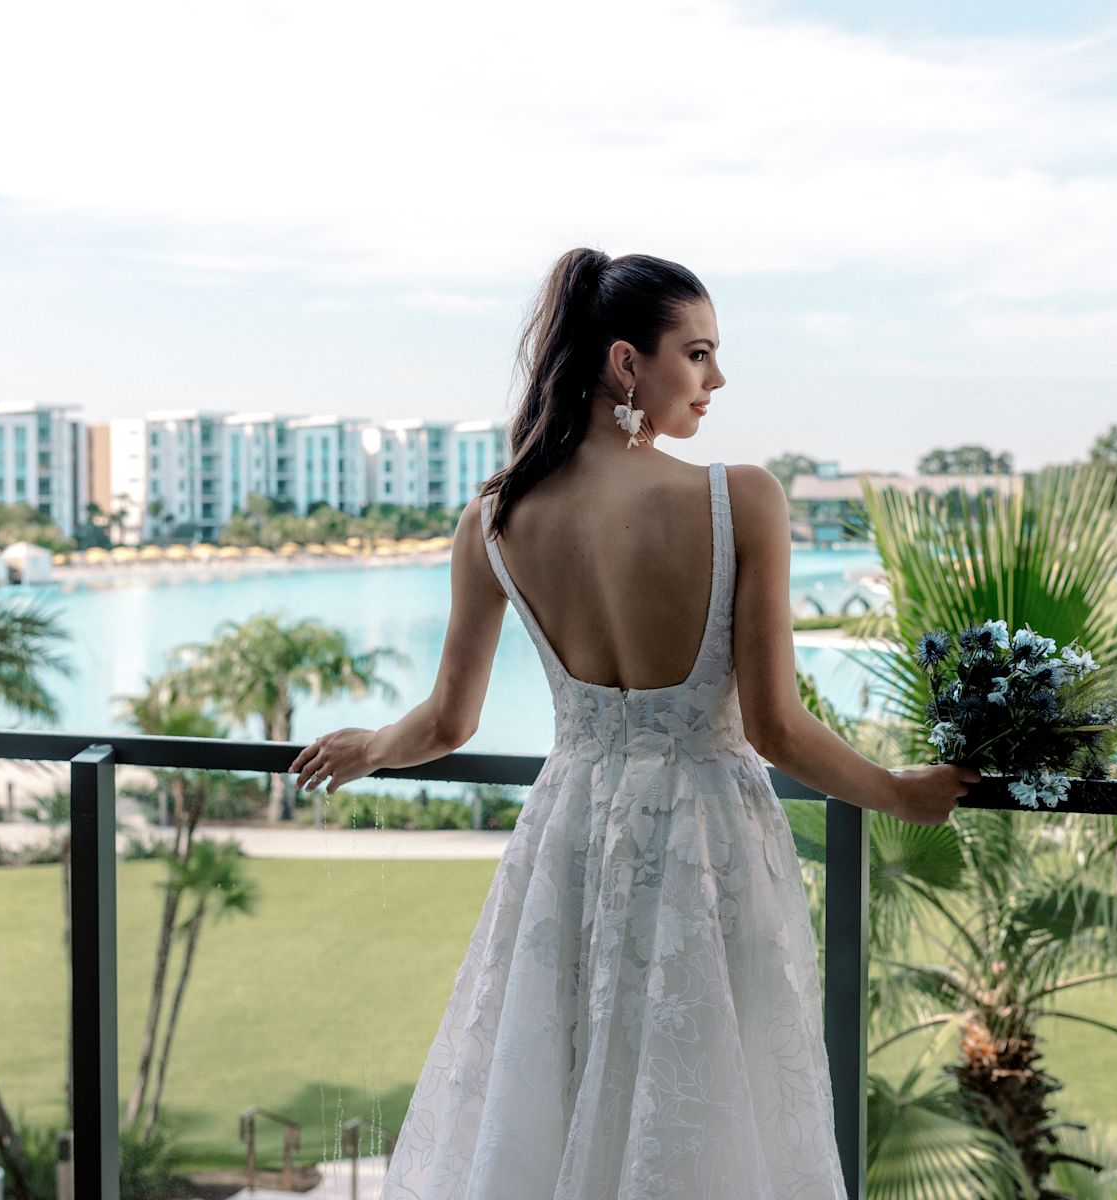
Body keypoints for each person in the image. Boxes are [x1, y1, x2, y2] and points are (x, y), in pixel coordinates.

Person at [286, 247, 974, 1198]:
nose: (715, 379)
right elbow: (775, 728)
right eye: (696, 354)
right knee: (704, 1105)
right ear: (625, 363)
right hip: (703, 842)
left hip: (567, 838)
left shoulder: (494, 516)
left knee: (557, 1091)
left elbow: (447, 721)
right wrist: (901, 794)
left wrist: (371, 747)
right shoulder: (739, 499)